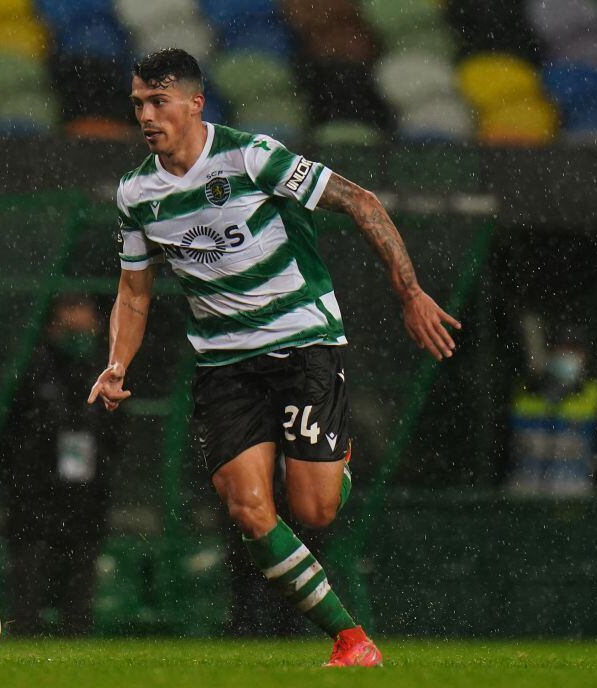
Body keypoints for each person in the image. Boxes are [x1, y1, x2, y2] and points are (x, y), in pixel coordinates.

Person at [88, 49, 460, 667]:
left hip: (301, 344)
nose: (146, 116)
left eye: (158, 102)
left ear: (193, 103)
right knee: (248, 508)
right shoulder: (136, 194)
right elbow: (134, 292)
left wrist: (410, 292)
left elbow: (361, 202)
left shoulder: (250, 156)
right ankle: (350, 638)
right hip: (224, 366)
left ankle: (335, 453)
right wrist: (117, 362)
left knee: (315, 509)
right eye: (138, 105)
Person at [0, 294, 118, 636]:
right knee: (28, 592)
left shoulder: (106, 371)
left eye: (84, 324)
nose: (79, 333)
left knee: (79, 598)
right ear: (51, 326)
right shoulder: (31, 368)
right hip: (35, 497)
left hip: (86, 498)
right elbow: (9, 435)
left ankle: (76, 654)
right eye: (68, 324)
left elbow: (116, 434)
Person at [508, 326, 597, 496]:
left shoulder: (596, 394)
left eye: (572, 349)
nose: (566, 355)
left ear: (584, 355)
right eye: (560, 348)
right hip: (523, 503)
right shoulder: (522, 391)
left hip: (575, 502)